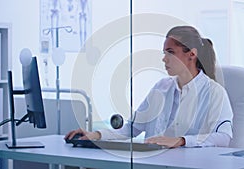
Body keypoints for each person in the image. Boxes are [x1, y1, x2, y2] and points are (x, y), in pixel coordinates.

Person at [65, 25, 233, 148]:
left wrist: (181, 140)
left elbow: (223, 137)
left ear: (192, 54)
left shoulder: (214, 93)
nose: (164, 59)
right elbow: (131, 129)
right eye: (164, 53)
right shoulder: (161, 88)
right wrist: (95, 135)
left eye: (171, 52)